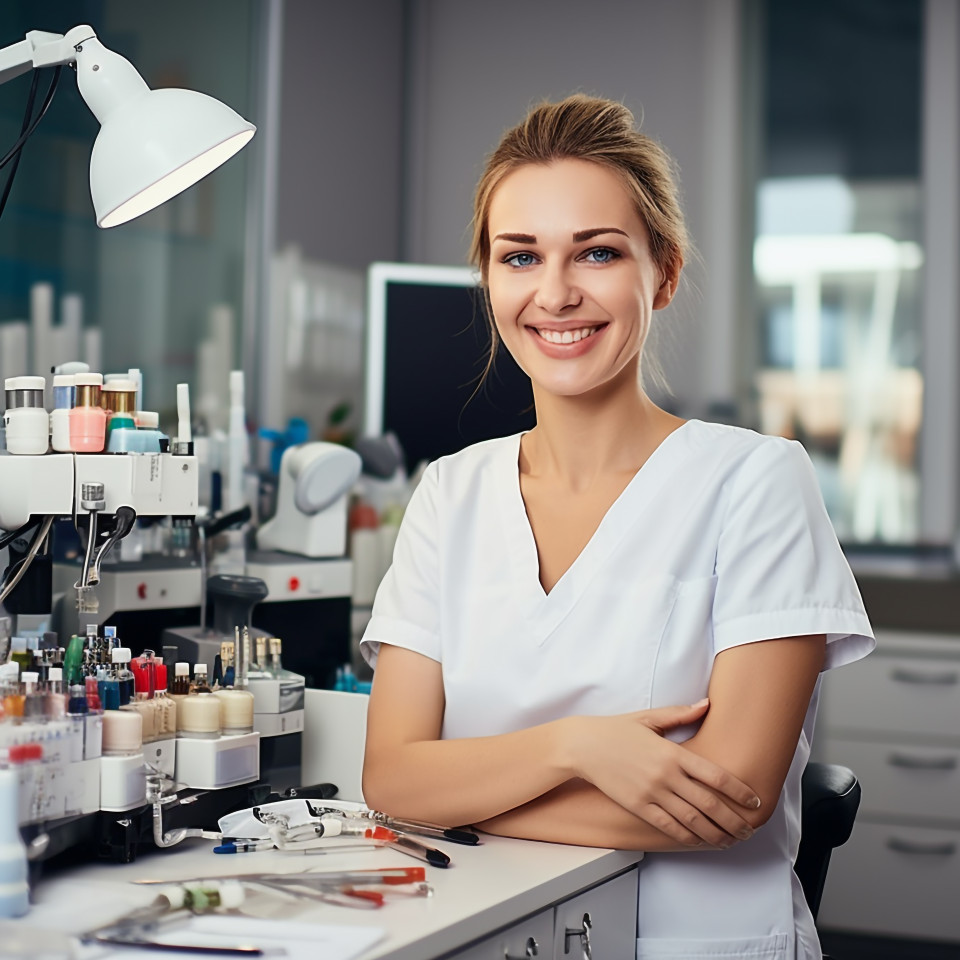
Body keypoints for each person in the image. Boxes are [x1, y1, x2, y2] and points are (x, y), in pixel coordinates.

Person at [360, 94, 874, 960]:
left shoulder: (756, 481)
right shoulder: (449, 495)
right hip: (497, 932)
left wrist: (464, 790)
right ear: (488, 281)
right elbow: (391, 777)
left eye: (596, 252)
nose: (555, 293)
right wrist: (578, 748)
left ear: (662, 273)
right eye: (520, 256)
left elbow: (730, 803)